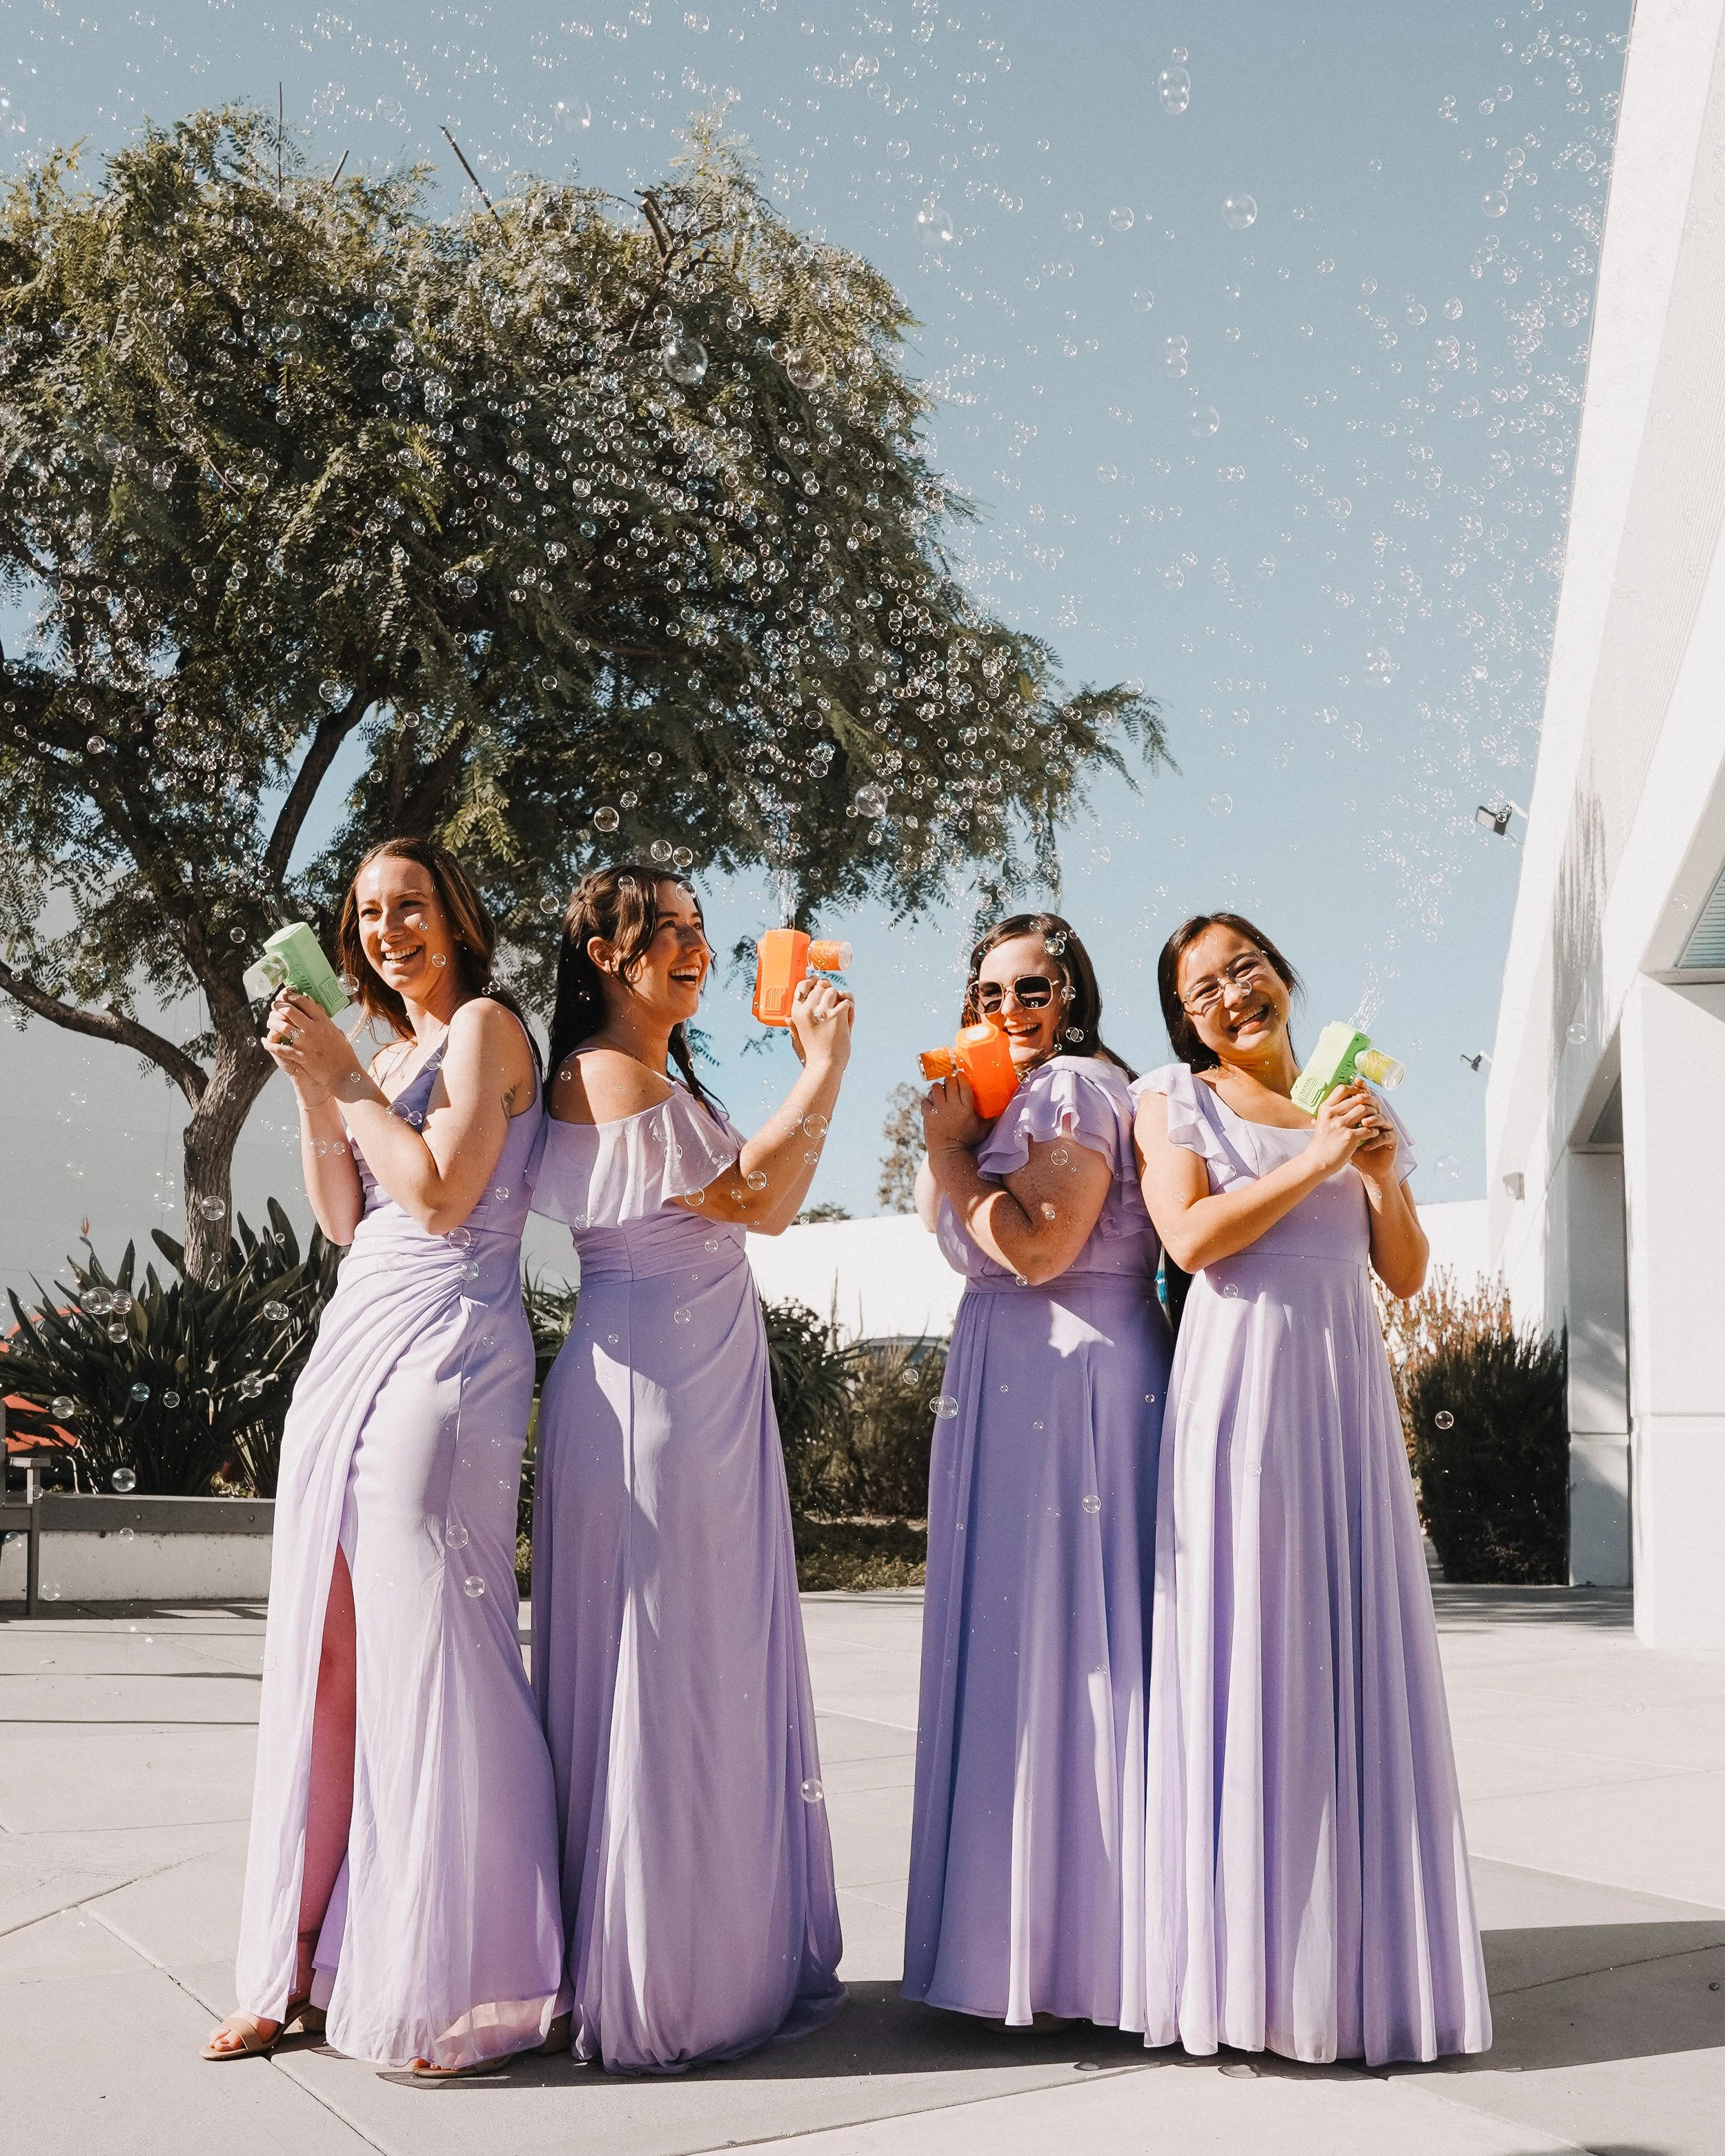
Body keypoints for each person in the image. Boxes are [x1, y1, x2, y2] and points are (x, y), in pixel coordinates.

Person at [207, 839, 567, 2075]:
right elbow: (345, 1216)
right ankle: (302, 1958)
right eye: (364, 912)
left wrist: (348, 1072)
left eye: (407, 905)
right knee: (335, 1651)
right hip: (353, 1338)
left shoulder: (482, 1030)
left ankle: (478, 1975)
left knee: (445, 1645)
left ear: (457, 915)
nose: (384, 929)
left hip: (451, 1349)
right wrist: (317, 1089)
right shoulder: (393, 1054)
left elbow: (445, 1198)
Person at [1132, 911, 1491, 2068]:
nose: (1232, 995)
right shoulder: (1173, 1101)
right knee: (1257, 1660)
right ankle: (1254, 1979)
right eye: (1203, 991)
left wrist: (1381, 1173)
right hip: (1239, 1399)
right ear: (1185, 1020)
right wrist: (1320, 1161)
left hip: (1344, 1399)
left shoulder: (1350, 1108)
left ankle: (1353, 1965)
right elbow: (1188, 1239)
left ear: (1284, 975)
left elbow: (1404, 1273)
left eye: (1246, 969)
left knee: (1351, 1660)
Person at [530, 864, 849, 2073]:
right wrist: (820, 1070)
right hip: (653, 1404)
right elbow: (758, 1204)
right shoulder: (608, 1071)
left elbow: (758, 1197)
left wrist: (806, 1083)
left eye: (700, 928)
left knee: (696, 1670)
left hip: (690, 1390)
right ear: (605, 953)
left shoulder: (656, 1075)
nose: (693, 946)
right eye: (663, 929)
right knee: (667, 1679)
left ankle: (698, 1950)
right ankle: (666, 1981)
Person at [904, 912, 1172, 2031]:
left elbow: (1039, 1247)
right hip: (1013, 1375)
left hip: (1074, 1382)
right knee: (1036, 1648)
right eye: (988, 993)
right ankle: (1038, 1943)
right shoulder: (1011, 1098)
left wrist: (949, 1152)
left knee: (1077, 1646)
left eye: (1030, 990)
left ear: (1072, 996)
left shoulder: (1071, 1087)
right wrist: (961, 1142)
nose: (1008, 1012)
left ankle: (1083, 1959)